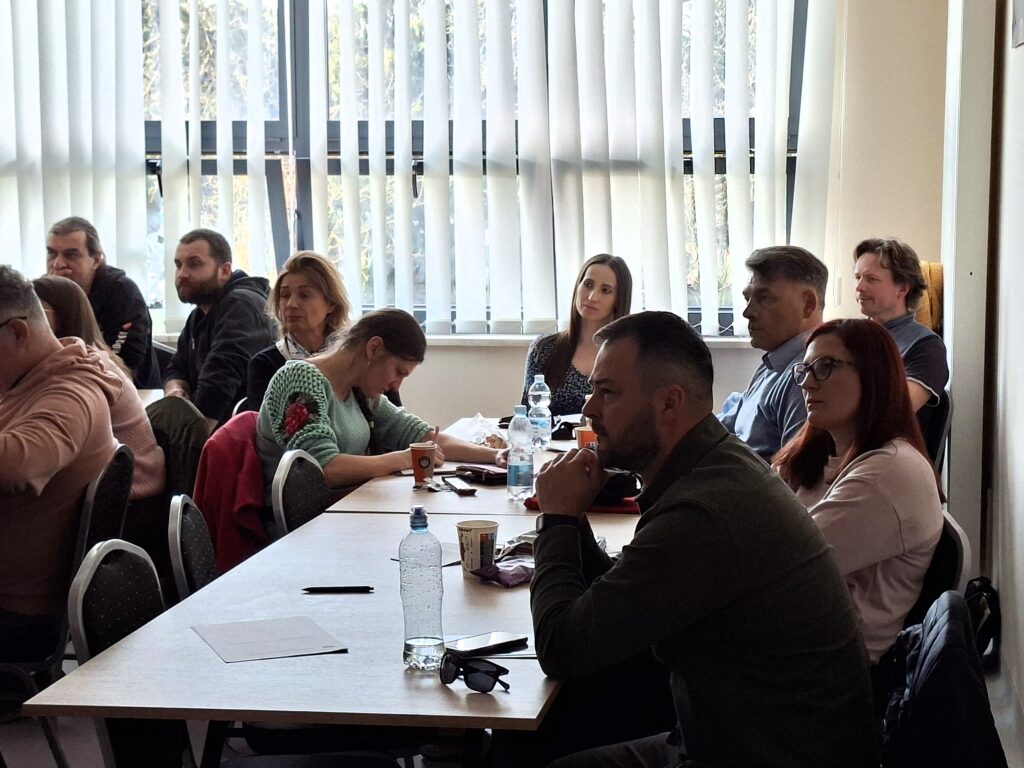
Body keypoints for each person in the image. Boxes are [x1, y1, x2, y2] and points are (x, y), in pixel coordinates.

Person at [528, 312, 877, 768]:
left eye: (607, 392)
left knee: (546, 739)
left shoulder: (704, 511)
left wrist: (557, 518)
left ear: (669, 403)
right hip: (741, 734)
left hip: (764, 756)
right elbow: (628, 591)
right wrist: (573, 519)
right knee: (563, 727)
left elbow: (561, 648)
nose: (589, 409)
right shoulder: (716, 465)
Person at [774, 319, 943, 706]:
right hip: (792, 647)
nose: (807, 383)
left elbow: (779, 565)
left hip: (828, 680)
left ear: (874, 376)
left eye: (825, 367)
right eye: (805, 368)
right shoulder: (818, 453)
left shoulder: (889, 472)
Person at [0, 266, 118, 662]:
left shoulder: (70, 391)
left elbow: (22, 462)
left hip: (16, 615)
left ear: (18, 332)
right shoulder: (29, 381)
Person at [256, 308, 506, 489]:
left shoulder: (360, 390)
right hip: (306, 527)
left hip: (346, 509)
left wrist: (494, 455)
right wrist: (404, 458)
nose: (396, 385)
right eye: (398, 371)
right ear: (373, 348)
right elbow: (323, 469)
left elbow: (423, 437)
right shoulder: (300, 377)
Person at [32, 276, 166, 502]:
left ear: (62, 316)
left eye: (35, 311)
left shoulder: (83, 369)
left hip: (126, 497)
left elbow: (43, 452)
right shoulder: (88, 358)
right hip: (115, 487)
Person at [717, 245, 827, 461]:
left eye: (764, 298)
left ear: (808, 304)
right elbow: (729, 426)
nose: (748, 312)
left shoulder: (808, 377)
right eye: (748, 299)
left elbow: (793, 473)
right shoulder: (775, 361)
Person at [163, 228, 276, 431]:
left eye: (194, 264)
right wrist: (176, 389)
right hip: (218, 430)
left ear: (224, 270)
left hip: (245, 436)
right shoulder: (199, 313)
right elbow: (176, 366)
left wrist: (190, 441)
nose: (182, 274)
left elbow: (219, 383)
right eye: (178, 265)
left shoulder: (241, 305)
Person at [46, 216, 161, 387]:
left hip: (128, 392)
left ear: (96, 260)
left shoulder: (122, 293)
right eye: (52, 253)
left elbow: (124, 367)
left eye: (71, 255)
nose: (58, 264)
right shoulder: (42, 294)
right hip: (64, 389)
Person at [853, 237, 949, 437]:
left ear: (903, 288)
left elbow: (892, 413)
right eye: (857, 277)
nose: (859, 287)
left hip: (884, 449)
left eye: (871, 279)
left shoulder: (926, 346)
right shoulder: (849, 338)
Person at [522, 254, 632, 416]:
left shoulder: (629, 356)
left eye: (605, 290)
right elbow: (527, 416)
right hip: (551, 433)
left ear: (618, 299)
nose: (592, 297)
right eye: (588, 284)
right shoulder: (544, 349)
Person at [247, 251, 351, 412]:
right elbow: (265, 425)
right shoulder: (264, 364)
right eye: (284, 295)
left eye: (304, 295)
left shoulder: (352, 356)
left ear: (331, 304)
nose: (291, 304)